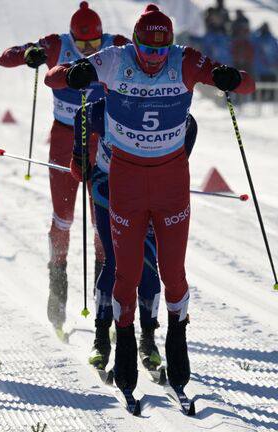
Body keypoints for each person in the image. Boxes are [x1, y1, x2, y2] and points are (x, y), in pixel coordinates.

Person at [46, 3, 254, 395]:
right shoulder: (114, 58)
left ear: (171, 46)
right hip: (122, 182)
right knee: (124, 272)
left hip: (170, 184)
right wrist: (75, 72)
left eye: (163, 50)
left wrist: (229, 77)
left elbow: (246, 84)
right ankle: (122, 344)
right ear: (136, 42)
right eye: (148, 50)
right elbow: (55, 80)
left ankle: (175, 339)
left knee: (171, 272)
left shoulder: (185, 60)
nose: (155, 59)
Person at [0, 1, 128, 337]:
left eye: (94, 45)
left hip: (103, 138)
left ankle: (105, 292)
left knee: (103, 220)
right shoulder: (57, 43)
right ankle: (58, 284)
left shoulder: (117, 44)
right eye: (82, 45)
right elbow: (6, 56)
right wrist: (30, 55)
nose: (87, 52)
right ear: (72, 37)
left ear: (102, 36)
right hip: (64, 137)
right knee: (64, 217)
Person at [73, 99, 198, 373]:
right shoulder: (105, 108)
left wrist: (175, 166)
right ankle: (102, 337)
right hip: (109, 187)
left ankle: (148, 339)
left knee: (149, 263)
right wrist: (79, 157)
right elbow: (83, 115)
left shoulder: (163, 104)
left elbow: (189, 125)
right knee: (115, 262)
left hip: (153, 192)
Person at [252, 23, 278, 101]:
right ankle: (259, 100)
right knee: (261, 88)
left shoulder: (272, 39)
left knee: (271, 89)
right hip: (260, 69)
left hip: (270, 69)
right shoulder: (258, 39)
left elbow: (276, 52)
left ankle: (271, 100)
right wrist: (258, 30)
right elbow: (250, 38)